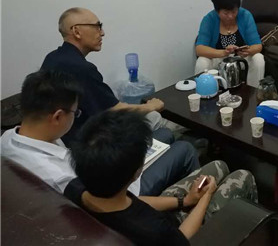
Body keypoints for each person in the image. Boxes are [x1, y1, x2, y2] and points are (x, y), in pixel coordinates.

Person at [66, 109, 257, 246]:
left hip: (158, 227)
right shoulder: (152, 230)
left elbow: (131, 202)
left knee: (218, 166)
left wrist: (185, 201)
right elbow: (182, 238)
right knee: (243, 176)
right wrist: (206, 197)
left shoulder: (76, 188)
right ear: (136, 172)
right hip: (180, 237)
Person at [0, 70, 199, 197]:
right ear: (58, 116)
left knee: (164, 134)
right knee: (184, 148)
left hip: (104, 172)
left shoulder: (8, 137)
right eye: (75, 112)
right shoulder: (60, 176)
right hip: (124, 192)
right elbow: (107, 203)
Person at [41, 7, 167, 144]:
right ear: (77, 31)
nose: (102, 33)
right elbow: (116, 111)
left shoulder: (52, 58)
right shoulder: (81, 68)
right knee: (154, 117)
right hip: (89, 140)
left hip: (65, 135)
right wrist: (151, 106)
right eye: (97, 26)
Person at [195, 0, 264, 87]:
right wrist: (224, 52)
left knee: (258, 58)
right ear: (217, 11)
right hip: (218, 58)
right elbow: (199, 49)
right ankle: (203, 92)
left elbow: (258, 45)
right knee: (202, 61)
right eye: (226, 13)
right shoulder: (209, 19)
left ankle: (254, 91)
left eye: (234, 12)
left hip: (240, 58)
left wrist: (248, 51)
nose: (230, 16)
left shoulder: (245, 15)